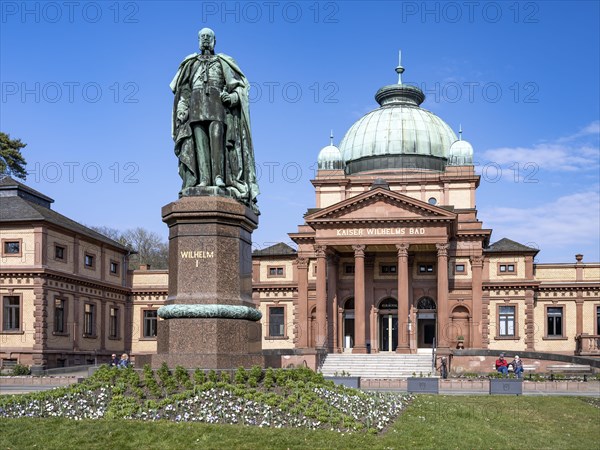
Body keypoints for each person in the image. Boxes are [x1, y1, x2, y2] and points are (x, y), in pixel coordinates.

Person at [170, 28, 259, 213]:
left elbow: (238, 88)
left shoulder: (222, 62)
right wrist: (181, 109)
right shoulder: (191, 64)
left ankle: (218, 177)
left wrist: (233, 98)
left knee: (217, 144)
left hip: (217, 109)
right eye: (202, 37)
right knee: (200, 146)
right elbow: (184, 91)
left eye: (208, 37)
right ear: (198, 40)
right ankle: (203, 179)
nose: (205, 39)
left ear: (214, 40)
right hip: (195, 109)